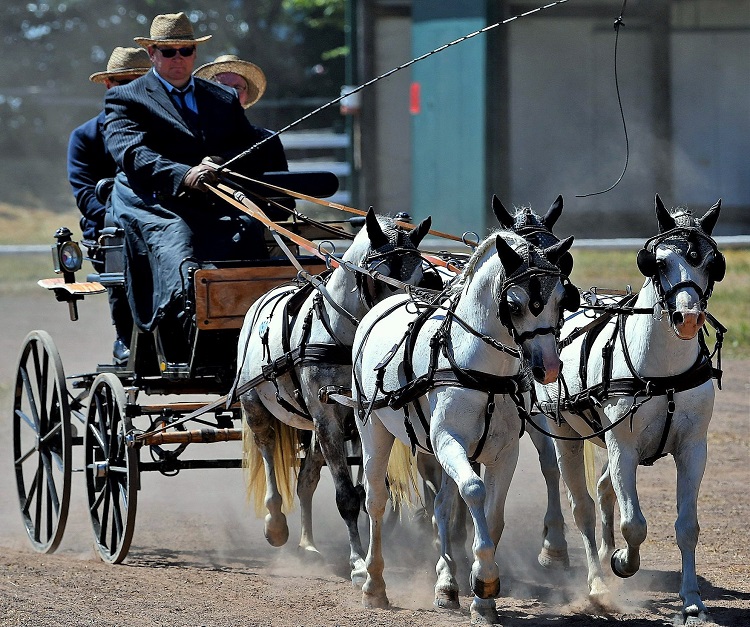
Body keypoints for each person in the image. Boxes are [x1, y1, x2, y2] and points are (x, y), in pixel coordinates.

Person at [103, 12, 289, 363]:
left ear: (194, 54)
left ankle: (250, 340)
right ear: (153, 53)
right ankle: (183, 338)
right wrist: (185, 173)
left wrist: (221, 163)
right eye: (168, 51)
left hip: (212, 200)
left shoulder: (221, 98)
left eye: (185, 50)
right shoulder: (126, 98)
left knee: (249, 232)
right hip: (152, 201)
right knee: (180, 243)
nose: (177, 59)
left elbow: (247, 146)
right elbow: (132, 154)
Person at [67, 46, 152, 365]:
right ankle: (125, 334)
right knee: (120, 244)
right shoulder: (85, 137)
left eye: (138, 82)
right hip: (108, 230)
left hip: (163, 223)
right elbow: (86, 197)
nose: (131, 90)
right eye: (123, 83)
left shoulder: (164, 132)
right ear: (108, 86)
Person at [193, 54, 266, 109]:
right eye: (223, 87)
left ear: (246, 95)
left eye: (237, 88)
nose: (230, 93)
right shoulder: (192, 127)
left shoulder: (252, 129)